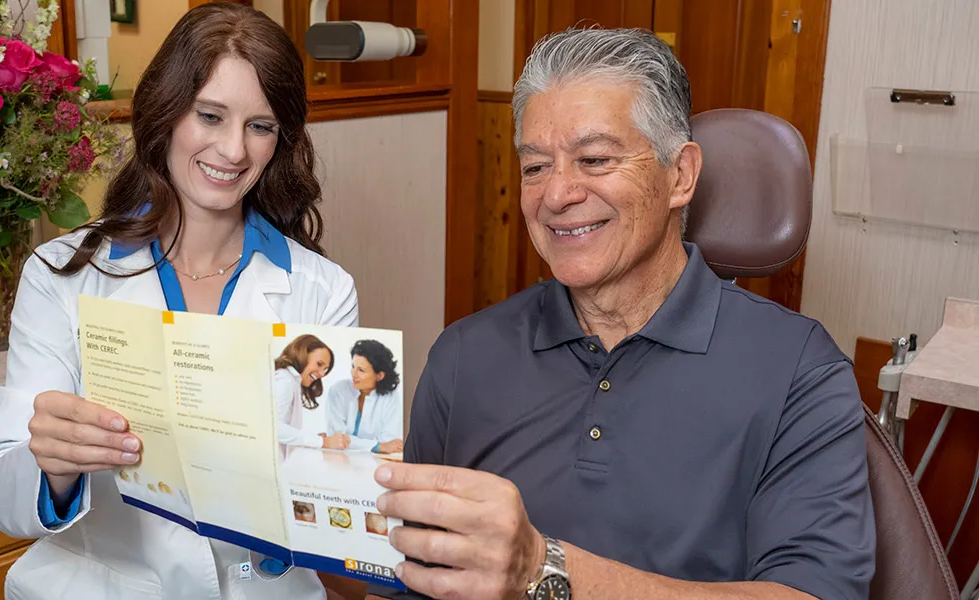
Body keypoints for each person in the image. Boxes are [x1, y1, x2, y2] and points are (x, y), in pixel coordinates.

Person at [367, 28, 875, 600]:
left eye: (594, 159)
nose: (556, 194)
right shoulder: (464, 355)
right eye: (535, 167)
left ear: (679, 175)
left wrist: (544, 569)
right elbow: (407, 575)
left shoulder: (797, 370)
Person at [0, 4, 357, 599]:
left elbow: (327, 503)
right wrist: (52, 468)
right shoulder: (61, 274)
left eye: (260, 126)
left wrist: (346, 474)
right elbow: (4, 498)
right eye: (210, 115)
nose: (233, 151)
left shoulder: (323, 290)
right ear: (165, 111)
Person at [325, 339, 404, 454]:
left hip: (374, 463)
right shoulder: (338, 391)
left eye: (361, 370)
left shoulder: (391, 398)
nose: (353, 374)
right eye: (353, 366)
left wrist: (381, 446)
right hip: (338, 459)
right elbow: (337, 438)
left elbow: (391, 442)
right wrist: (378, 446)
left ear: (379, 375)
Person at [273, 333, 351, 449]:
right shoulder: (285, 380)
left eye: (325, 369)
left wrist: (314, 440)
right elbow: (273, 427)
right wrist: (321, 442)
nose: (322, 374)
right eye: (319, 364)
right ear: (301, 354)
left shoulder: (290, 380)